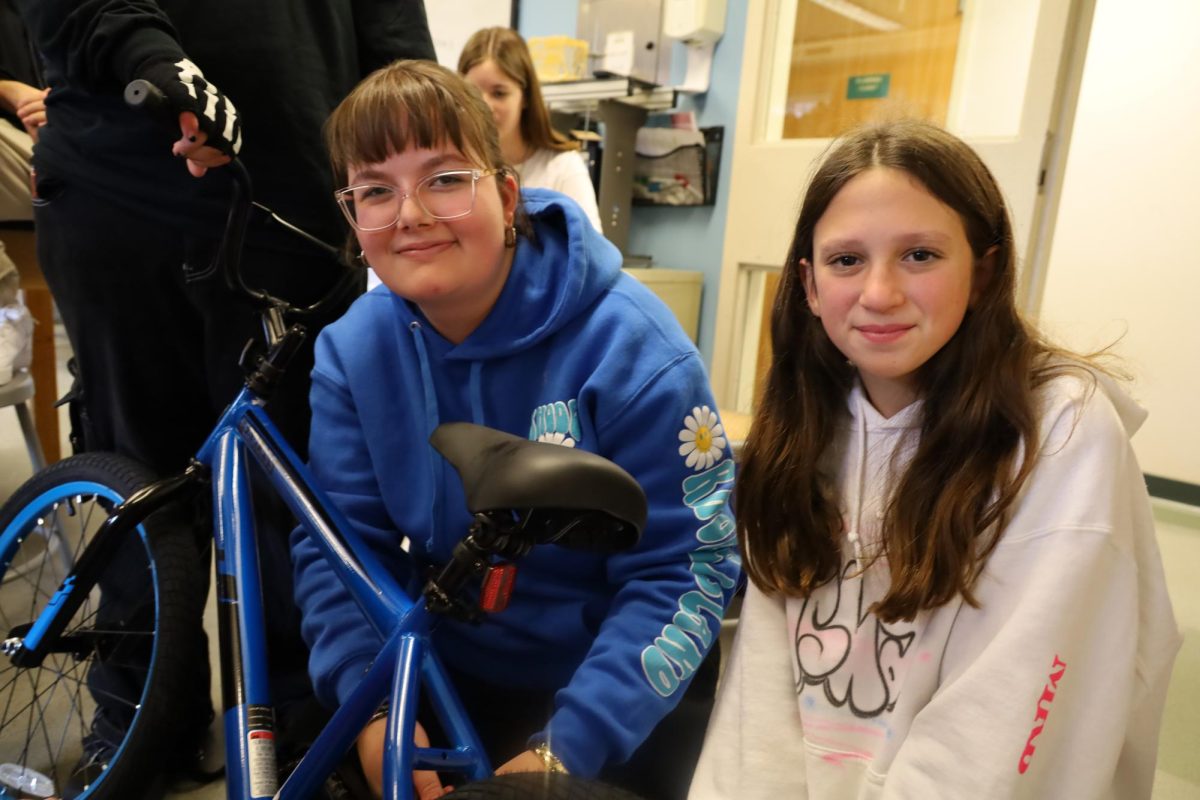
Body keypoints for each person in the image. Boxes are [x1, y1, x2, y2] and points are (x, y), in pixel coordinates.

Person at [687, 119, 1182, 799]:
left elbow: (997, 727)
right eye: (846, 260)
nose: (880, 293)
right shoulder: (806, 425)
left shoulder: (1062, 433)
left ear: (983, 271)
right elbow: (759, 710)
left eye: (920, 255)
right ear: (807, 283)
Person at [12, 0, 435, 791]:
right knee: (140, 474)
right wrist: (144, 51)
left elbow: (392, 33)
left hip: (295, 198)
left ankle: (318, 722)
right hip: (122, 178)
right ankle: (141, 713)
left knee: (304, 487)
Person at [290, 59, 740, 800]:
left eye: (443, 179)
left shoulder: (636, 353)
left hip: (622, 687)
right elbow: (342, 552)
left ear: (505, 194)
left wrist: (563, 754)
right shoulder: (349, 352)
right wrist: (374, 712)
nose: (409, 214)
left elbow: (683, 572)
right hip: (449, 670)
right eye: (375, 190)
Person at [459, 26, 602, 233]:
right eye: (472, 93)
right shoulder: (454, 168)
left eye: (499, 93)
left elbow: (593, 256)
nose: (485, 106)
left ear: (525, 97)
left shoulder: (563, 168)